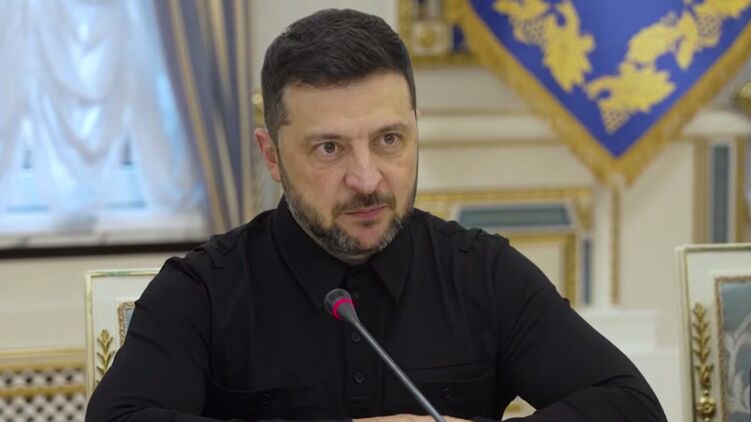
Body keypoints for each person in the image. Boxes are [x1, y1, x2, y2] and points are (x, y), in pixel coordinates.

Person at [86, 8, 667, 422]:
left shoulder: (481, 272)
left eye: (389, 140)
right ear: (272, 156)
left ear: (416, 131)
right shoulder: (204, 289)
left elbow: (631, 405)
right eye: (329, 148)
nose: (366, 179)